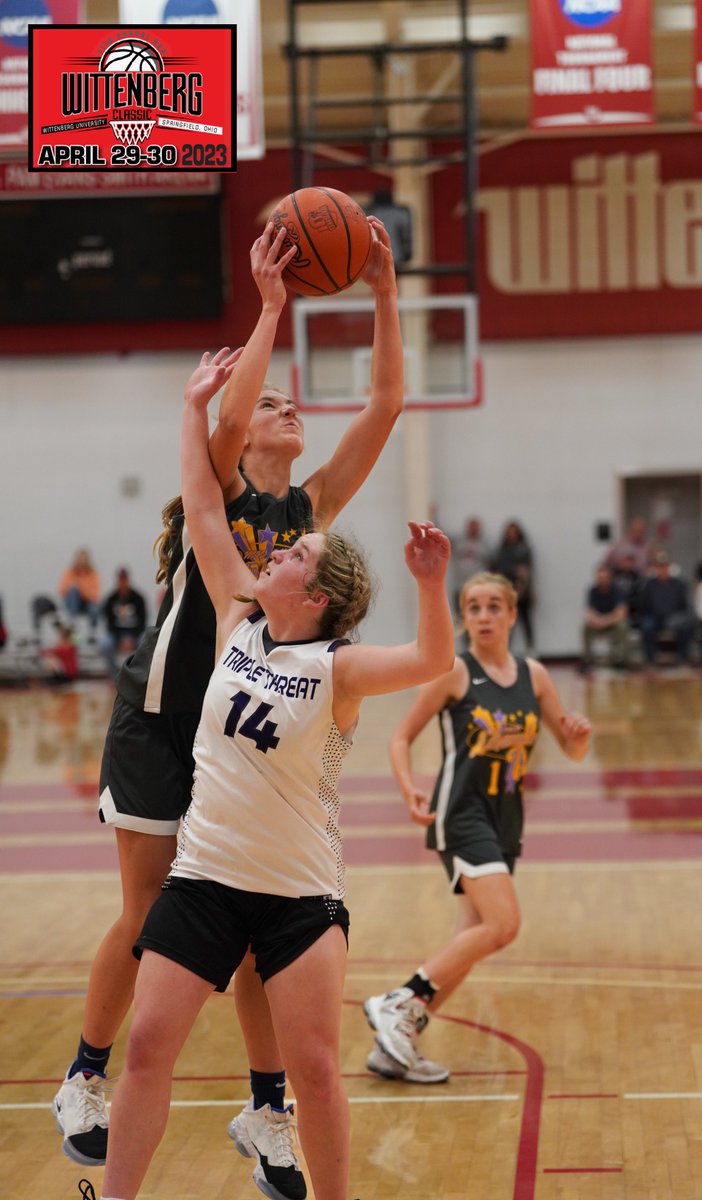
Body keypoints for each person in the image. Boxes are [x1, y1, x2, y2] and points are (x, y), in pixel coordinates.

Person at [53, 214, 404, 1199]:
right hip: (166, 717)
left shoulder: (310, 522)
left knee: (255, 926)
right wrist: (271, 310)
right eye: (269, 406)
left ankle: (264, 1106)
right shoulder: (204, 496)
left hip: (250, 732)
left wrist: (381, 289)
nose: (286, 409)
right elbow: (223, 416)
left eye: (292, 403)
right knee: (146, 916)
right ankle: (85, 1073)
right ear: (241, 433)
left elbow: (382, 404)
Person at [92, 351, 454, 1200]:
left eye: (296, 553)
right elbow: (205, 505)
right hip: (206, 881)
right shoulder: (231, 616)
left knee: (318, 1076)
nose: (280, 550)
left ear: (315, 593)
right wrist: (192, 409)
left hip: (297, 897)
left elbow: (435, 658)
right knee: (146, 1051)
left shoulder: (341, 668)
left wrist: (432, 587)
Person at [362, 571, 591, 1083]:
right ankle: (399, 1002)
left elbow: (572, 748)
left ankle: (395, 1045)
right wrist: (408, 790)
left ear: (512, 614)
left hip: (506, 818)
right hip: (461, 813)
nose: (484, 616)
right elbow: (400, 739)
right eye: (473, 608)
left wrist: (579, 734)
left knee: (472, 936)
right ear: (463, 619)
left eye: (494, 607)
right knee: (504, 926)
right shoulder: (454, 673)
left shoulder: (535, 676)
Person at [637, 552, 693, 666]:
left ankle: (682, 658)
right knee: (646, 626)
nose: (663, 570)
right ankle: (650, 660)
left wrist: (678, 616)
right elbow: (643, 604)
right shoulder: (649, 584)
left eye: (665, 567)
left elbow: (684, 605)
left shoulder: (678, 584)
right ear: (656, 569)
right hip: (654, 617)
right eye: (660, 567)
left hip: (673, 618)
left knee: (686, 626)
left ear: (669, 568)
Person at [491, 520, 534, 650]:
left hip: (522, 590)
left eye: (514, 532)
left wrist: (521, 587)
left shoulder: (523, 549)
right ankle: (505, 649)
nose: (511, 534)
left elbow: (526, 571)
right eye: (509, 532)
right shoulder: (502, 549)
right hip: (506, 589)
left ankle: (531, 648)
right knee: (507, 621)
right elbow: (497, 569)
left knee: (526, 620)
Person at [579, 563, 630, 673]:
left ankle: (622, 659)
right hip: (600, 622)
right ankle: (587, 660)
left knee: (622, 625)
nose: (601, 580)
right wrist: (596, 620)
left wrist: (604, 621)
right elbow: (589, 612)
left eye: (604, 577)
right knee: (586, 627)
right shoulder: (593, 590)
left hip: (613, 622)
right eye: (599, 577)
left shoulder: (617, 590)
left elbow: (621, 612)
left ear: (609, 577)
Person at [101, 569, 148, 677]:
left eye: (124, 580)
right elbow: (109, 624)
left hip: (135, 634)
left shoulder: (139, 598)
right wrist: (121, 639)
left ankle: (140, 674)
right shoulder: (111, 599)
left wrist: (131, 639)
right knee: (105, 644)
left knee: (146, 642)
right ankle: (114, 675)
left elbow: (143, 622)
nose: (122, 583)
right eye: (120, 580)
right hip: (117, 635)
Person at [449, 516, 490, 614]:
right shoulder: (459, 542)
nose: (473, 529)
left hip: (478, 588)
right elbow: (441, 537)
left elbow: (491, 565)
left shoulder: (485, 546)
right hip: (460, 587)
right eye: (471, 526)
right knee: (460, 618)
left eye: (475, 527)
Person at [58, 548, 102, 632]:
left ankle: (93, 631)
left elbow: (95, 596)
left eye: (84, 559)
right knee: (73, 591)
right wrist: (74, 588)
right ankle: (72, 624)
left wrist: (82, 590)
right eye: (80, 559)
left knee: (95, 608)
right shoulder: (70, 572)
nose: (82, 562)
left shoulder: (93, 574)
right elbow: (61, 590)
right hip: (72, 603)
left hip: (87, 603)